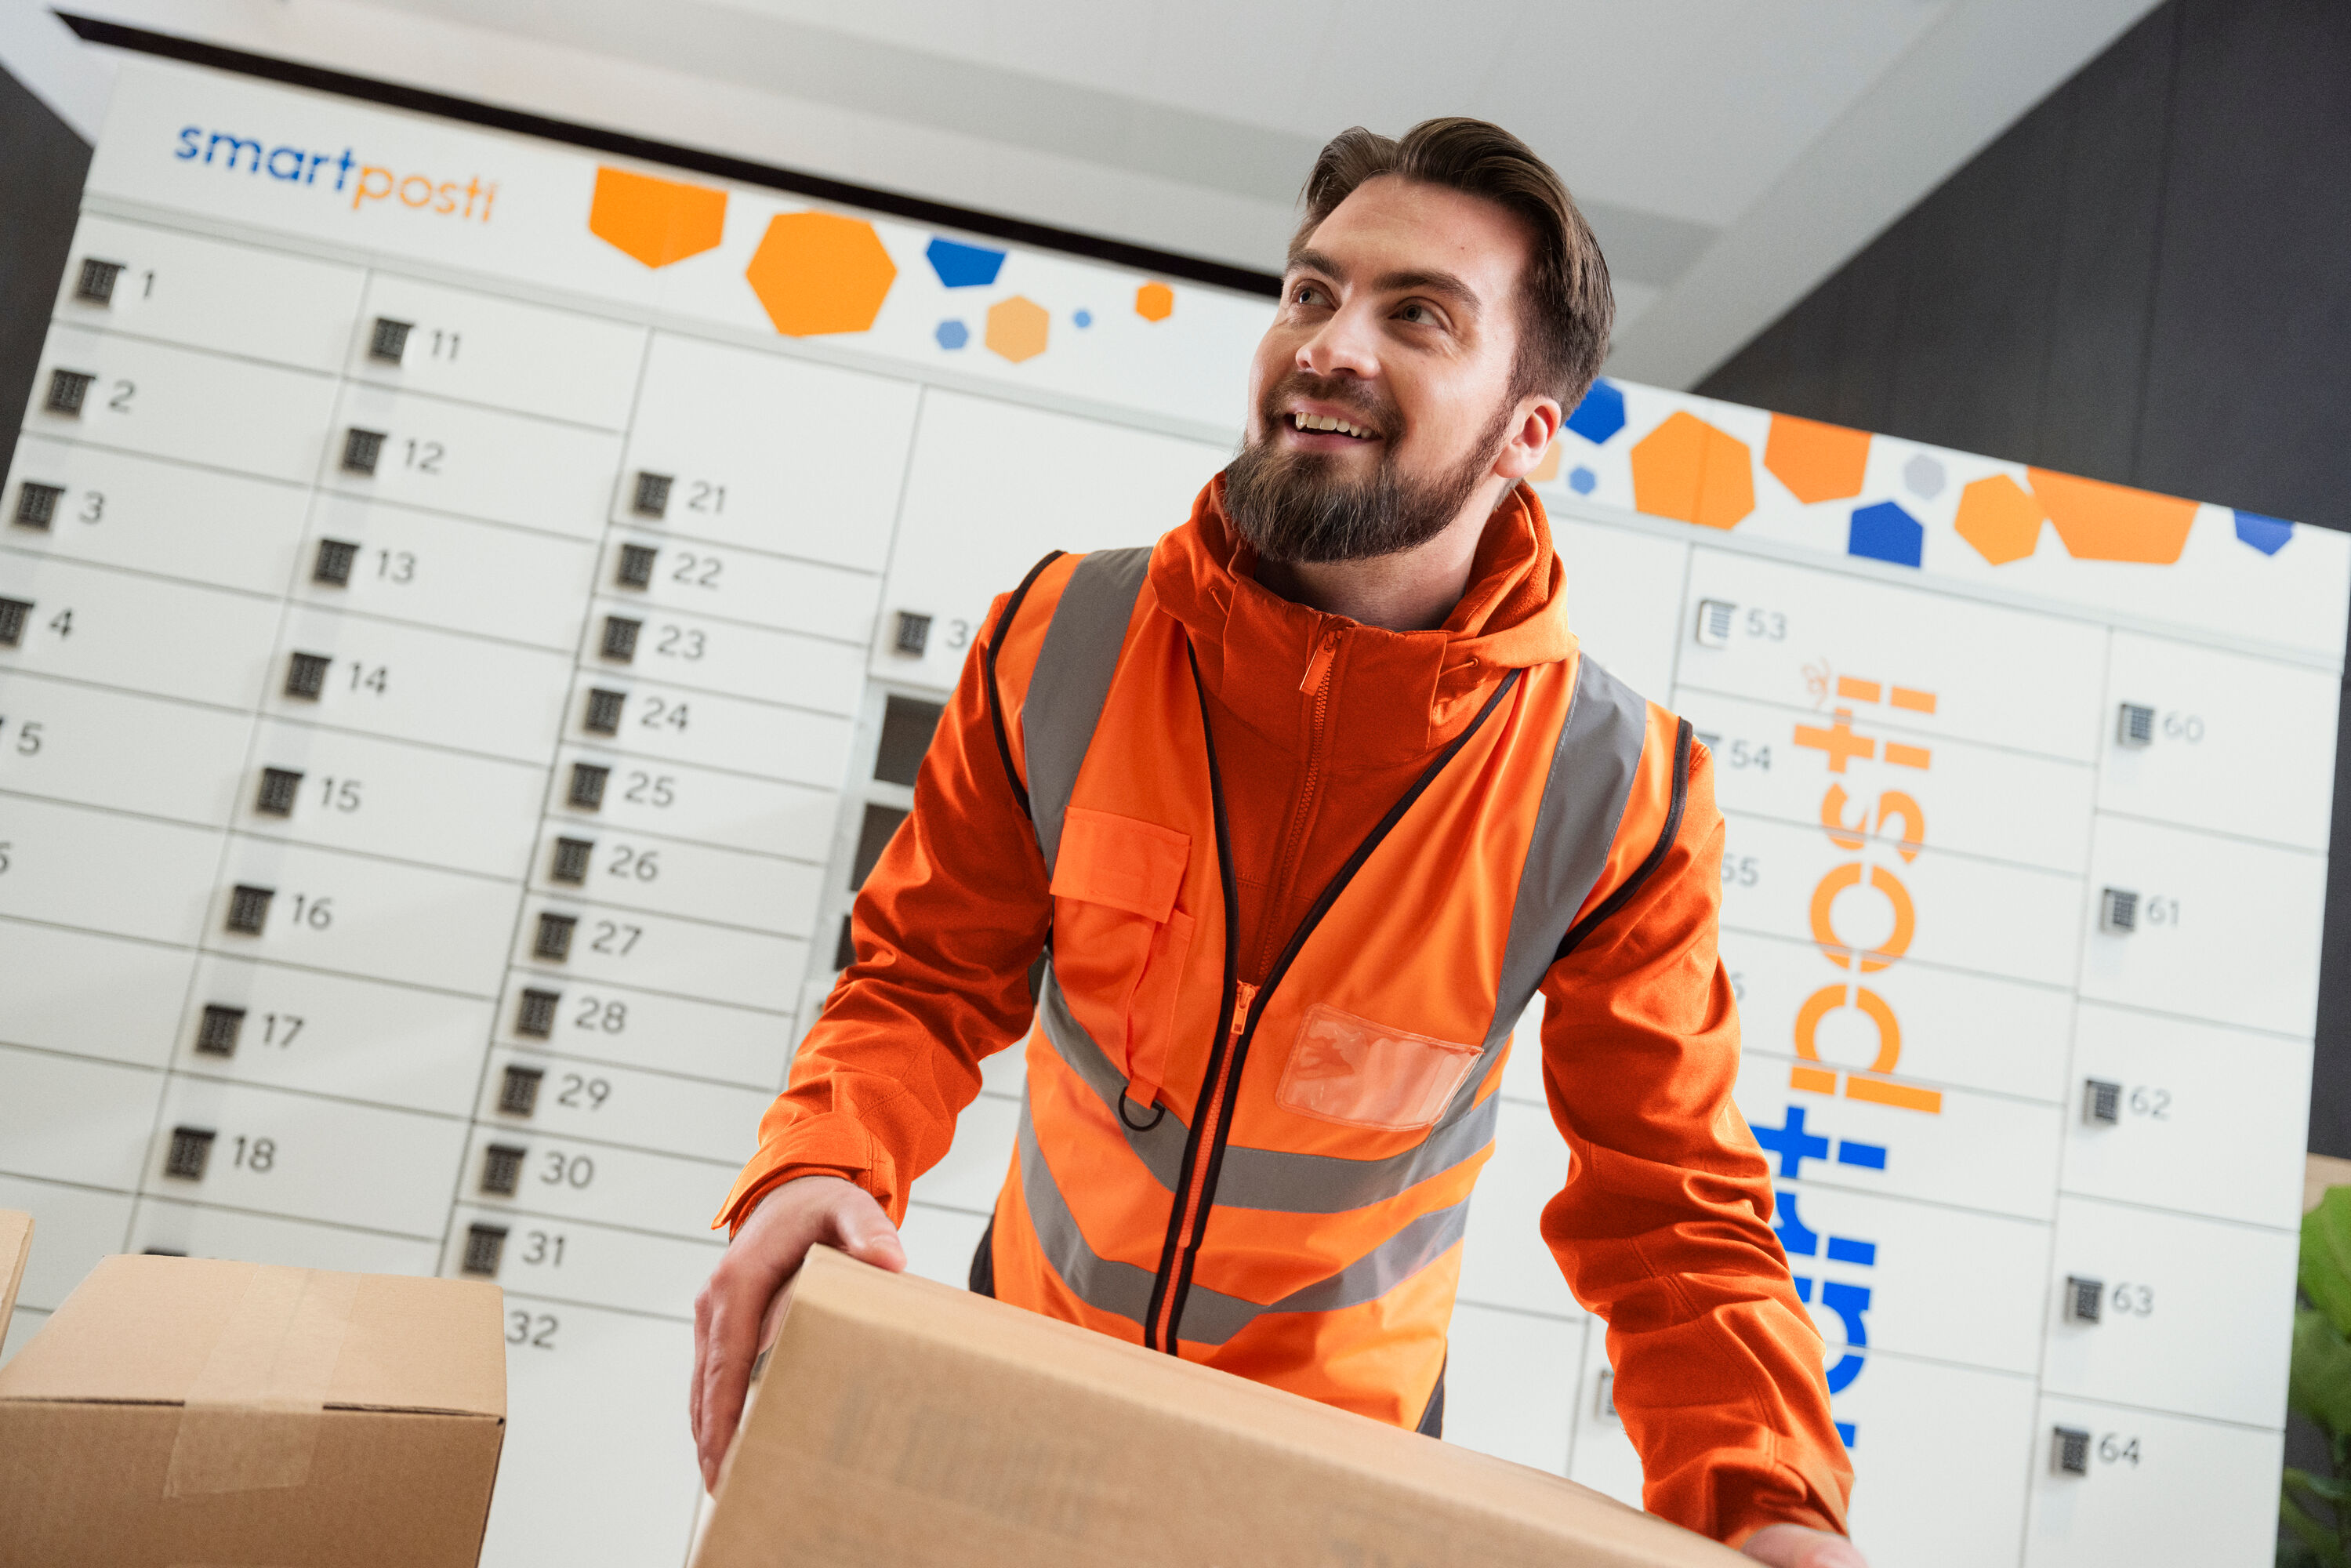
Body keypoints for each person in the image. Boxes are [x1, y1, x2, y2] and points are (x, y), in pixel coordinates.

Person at [692, 118, 1863, 1567]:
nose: (1329, 342)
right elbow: (919, 982)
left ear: (1527, 434)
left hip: (1334, 1496)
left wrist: (1774, 1507)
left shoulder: (1615, 796)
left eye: (1415, 315)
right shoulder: (1065, 638)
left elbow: (1674, 1217)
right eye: (1313, 292)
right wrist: (823, 1164)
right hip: (1010, 1395)